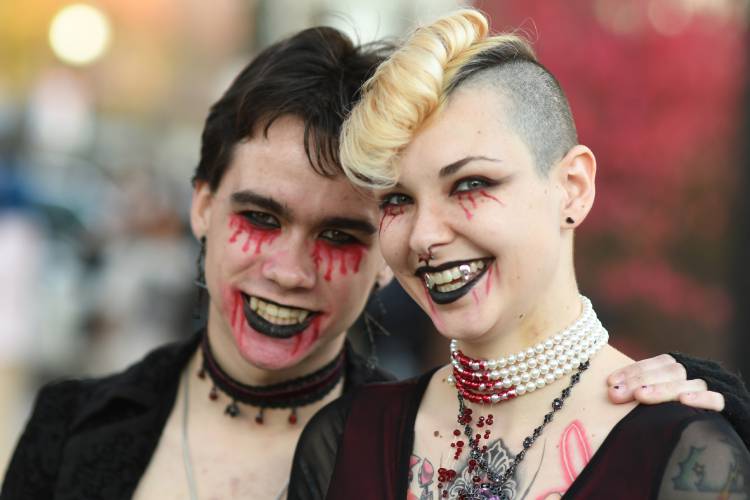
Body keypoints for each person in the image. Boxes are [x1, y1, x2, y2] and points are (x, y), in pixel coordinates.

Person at [0, 21, 742, 500]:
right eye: (260, 217)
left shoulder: (682, 437)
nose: (290, 269)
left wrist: (710, 400)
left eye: (340, 234)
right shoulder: (75, 429)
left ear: (572, 186)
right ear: (201, 206)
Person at [288, 10, 750, 500]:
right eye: (397, 200)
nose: (423, 236)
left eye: (470, 184)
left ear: (573, 188)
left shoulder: (687, 455)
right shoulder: (343, 440)